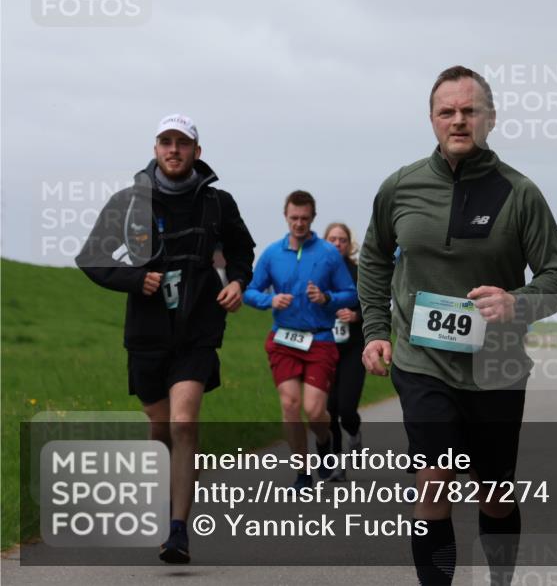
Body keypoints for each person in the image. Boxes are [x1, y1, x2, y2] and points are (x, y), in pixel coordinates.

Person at [359, 66, 557, 585]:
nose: (458, 120)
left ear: (490, 119)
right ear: (431, 119)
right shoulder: (400, 187)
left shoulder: (520, 193)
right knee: (434, 482)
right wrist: (377, 330)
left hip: (495, 366)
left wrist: (516, 302)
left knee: (494, 492)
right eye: (447, 111)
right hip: (423, 362)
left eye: (469, 111)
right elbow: (374, 259)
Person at [76, 113, 255, 564]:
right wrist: (136, 279)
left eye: (182, 142)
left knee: (183, 422)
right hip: (147, 333)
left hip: (198, 329)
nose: (174, 150)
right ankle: (162, 497)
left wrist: (238, 282)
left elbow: (242, 250)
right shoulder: (128, 202)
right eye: (166, 142)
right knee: (159, 428)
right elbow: (91, 257)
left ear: (197, 150)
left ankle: (178, 531)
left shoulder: (218, 203)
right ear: (155, 149)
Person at [243, 191, 358, 490]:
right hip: (283, 339)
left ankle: (324, 440)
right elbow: (250, 291)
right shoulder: (272, 253)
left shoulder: (328, 254)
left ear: (313, 218)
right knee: (290, 404)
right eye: (294, 218)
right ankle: (302, 472)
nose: (299, 224)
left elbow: (350, 293)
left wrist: (327, 298)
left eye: (304, 218)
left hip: (320, 339)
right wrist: (270, 300)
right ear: (285, 216)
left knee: (315, 410)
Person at [323, 222, 365, 481]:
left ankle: (354, 432)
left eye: (342, 240)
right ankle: (337, 464)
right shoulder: (318, 271)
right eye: (332, 239)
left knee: (347, 409)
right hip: (324, 348)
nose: (337, 243)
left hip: (353, 349)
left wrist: (356, 315)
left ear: (349, 244)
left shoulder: (359, 272)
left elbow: (374, 304)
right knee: (329, 410)